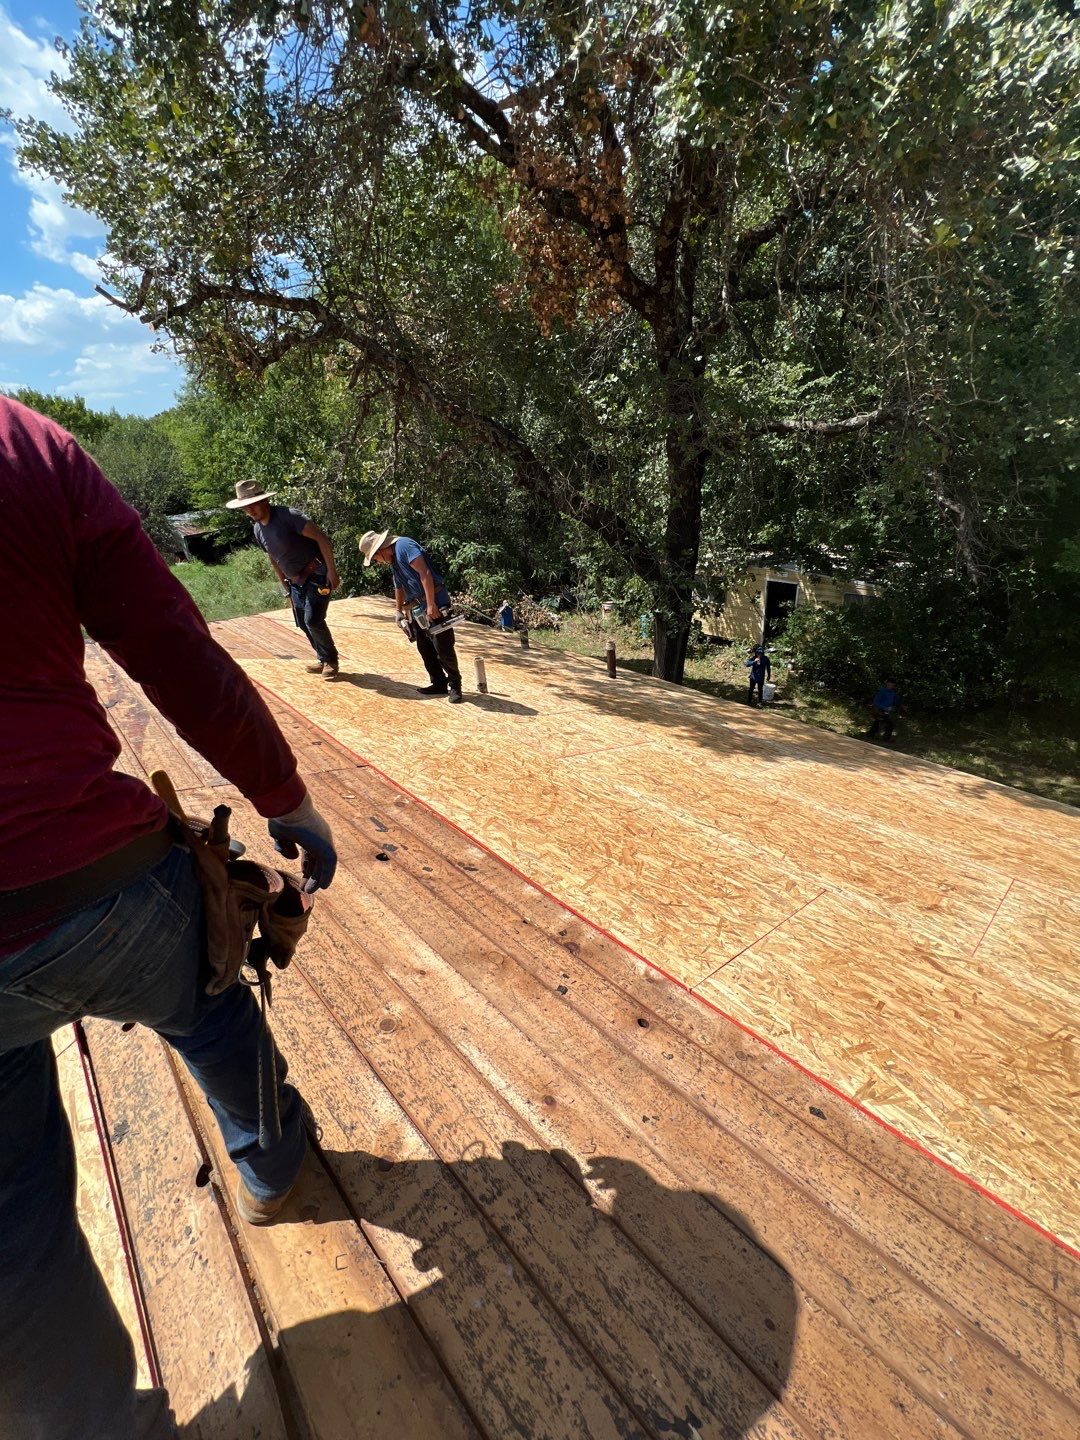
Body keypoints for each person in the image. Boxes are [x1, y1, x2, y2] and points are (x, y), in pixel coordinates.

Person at [0, 396, 338, 1440]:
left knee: (11, 1226)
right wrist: (283, 795)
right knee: (212, 993)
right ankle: (273, 1170)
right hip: (93, 875)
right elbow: (171, 644)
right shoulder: (23, 442)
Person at [226, 479, 341, 679]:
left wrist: (332, 571)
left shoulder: (289, 516)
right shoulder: (257, 529)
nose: (250, 510)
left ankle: (331, 660)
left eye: (253, 504)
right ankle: (322, 658)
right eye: (245, 507)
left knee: (313, 619)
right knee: (303, 622)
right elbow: (273, 557)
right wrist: (285, 585)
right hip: (295, 582)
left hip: (317, 573)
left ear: (264, 501)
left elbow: (322, 538)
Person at [359, 530, 463, 703]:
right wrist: (398, 611)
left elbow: (425, 573)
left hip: (434, 602)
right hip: (417, 607)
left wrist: (431, 604)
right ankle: (438, 682)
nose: (377, 561)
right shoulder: (394, 561)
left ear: (380, 550)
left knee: (442, 646)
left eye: (375, 558)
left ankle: (455, 685)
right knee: (425, 647)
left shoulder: (404, 546)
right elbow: (399, 586)